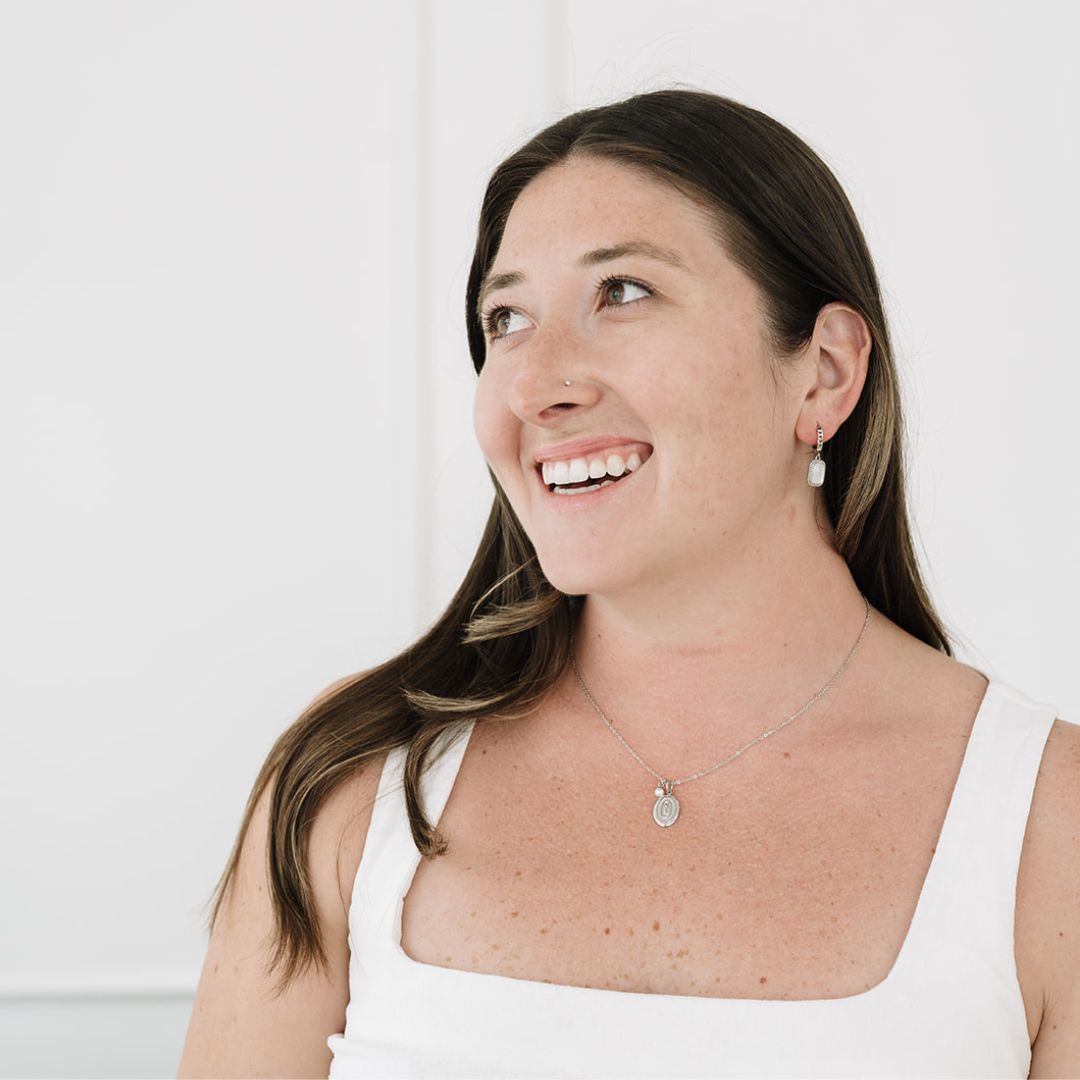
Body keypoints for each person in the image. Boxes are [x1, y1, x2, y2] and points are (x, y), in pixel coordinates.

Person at [177, 88, 1077, 1079]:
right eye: (507, 318)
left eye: (624, 292)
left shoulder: (1053, 827)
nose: (535, 385)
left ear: (824, 372)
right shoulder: (348, 780)